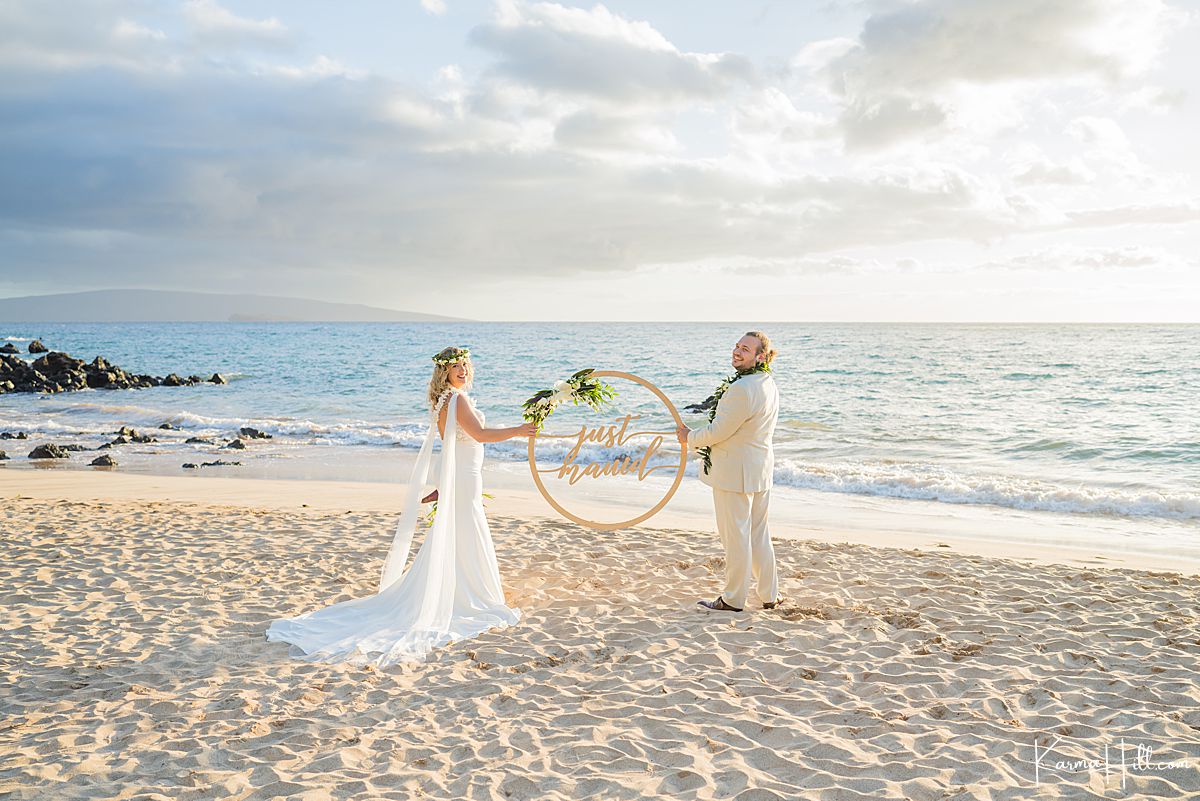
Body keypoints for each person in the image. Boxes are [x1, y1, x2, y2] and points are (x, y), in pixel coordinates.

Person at [265, 346, 536, 666]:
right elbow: (479, 434)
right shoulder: (457, 399)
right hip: (464, 475)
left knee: (459, 530)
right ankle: (471, 597)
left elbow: (451, 445)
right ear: (444, 372)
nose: (462, 371)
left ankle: (465, 590)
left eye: (465, 365)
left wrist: (443, 485)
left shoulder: (443, 400)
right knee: (465, 528)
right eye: (455, 367)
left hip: (459, 475)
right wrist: (519, 430)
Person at [677, 331, 782, 612]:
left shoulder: (741, 388)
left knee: (735, 538)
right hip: (759, 469)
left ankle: (734, 599)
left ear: (760, 356)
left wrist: (689, 437)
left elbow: (719, 431)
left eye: (744, 349)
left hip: (736, 473)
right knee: (759, 534)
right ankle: (769, 595)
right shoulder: (767, 382)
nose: (737, 351)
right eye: (736, 346)